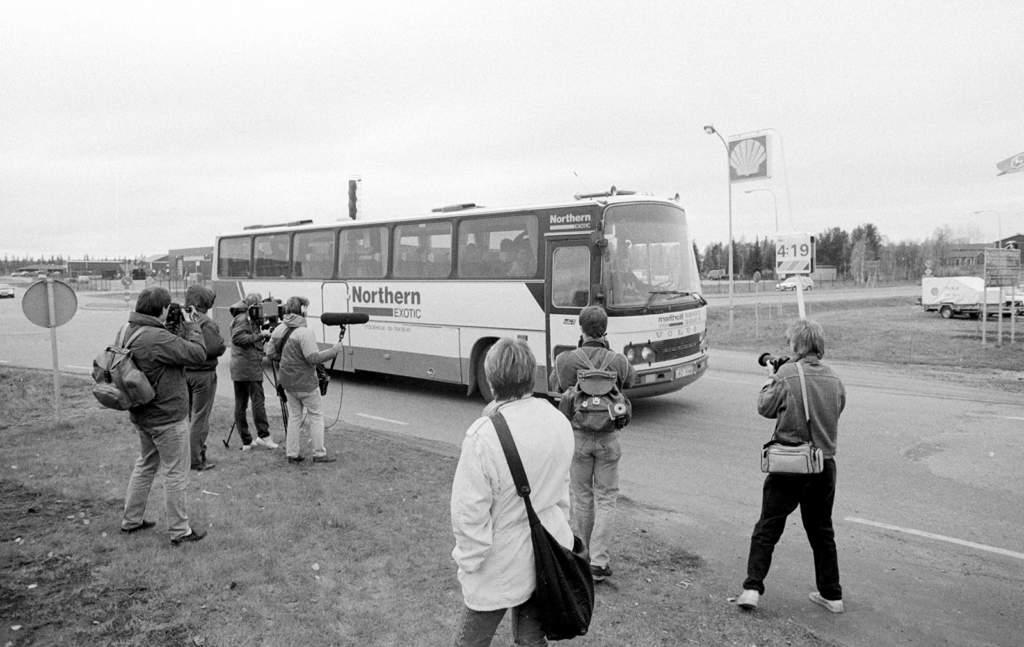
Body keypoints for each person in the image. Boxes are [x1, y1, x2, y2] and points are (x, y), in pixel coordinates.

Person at [451, 338, 574, 646]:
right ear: (531, 375)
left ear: (491, 379)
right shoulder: (558, 420)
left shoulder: (482, 436)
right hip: (547, 550)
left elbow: (469, 514)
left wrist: (470, 563)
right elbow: (563, 489)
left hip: (500, 561)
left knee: (470, 643)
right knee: (531, 640)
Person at [735, 318, 847, 613]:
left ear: (796, 345)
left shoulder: (786, 375)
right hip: (823, 465)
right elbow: (837, 410)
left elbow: (764, 407)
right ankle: (832, 595)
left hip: (789, 463)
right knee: (822, 531)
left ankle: (751, 588)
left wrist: (772, 377)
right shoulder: (834, 379)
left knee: (768, 526)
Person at [548, 305, 635, 583]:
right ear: (605, 329)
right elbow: (629, 382)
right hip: (609, 439)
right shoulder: (617, 360)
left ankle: (584, 556)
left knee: (583, 496)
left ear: (581, 328)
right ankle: (600, 560)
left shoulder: (567, 360)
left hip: (579, 438)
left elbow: (557, 385)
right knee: (607, 497)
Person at [120, 286, 208, 545]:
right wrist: (192, 325)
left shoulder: (130, 330)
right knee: (175, 472)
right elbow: (198, 354)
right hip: (167, 417)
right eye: (168, 307)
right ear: (162, 309)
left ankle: (131, 520)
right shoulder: (157, 338)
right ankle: (180, 531)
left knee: (145, 465)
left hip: (143, 414)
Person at [264, 296, 344, 464]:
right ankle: (319, 453)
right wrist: (333, 351)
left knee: (294, 416)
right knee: (316, 416)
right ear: (302, 311)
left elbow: (270, 353)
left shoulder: (279, 329)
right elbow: (313, 358)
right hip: (305, 382)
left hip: (287, 381)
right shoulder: (305, 333)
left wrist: (287, 359)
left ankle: (292, 453)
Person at [184, 285, 226, 471]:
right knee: (200, 417)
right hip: (203, 374)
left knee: (187, 417)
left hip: (184, 372)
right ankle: (196, 458)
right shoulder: (206, 322)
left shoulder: (181, 317)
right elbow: (214, 348)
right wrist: (222, 345)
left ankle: (185, 456)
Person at [229, 293, 278, 451]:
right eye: (259, 306)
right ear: (252, 306)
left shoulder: (242, 317)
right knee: (257, 401)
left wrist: (260, 332)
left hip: (241, 366)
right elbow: (238, 338)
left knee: (241, 404)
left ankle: (247, 440)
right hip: (248, 365)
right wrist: (259, 336)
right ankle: (263, 436)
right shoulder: (243, 318)